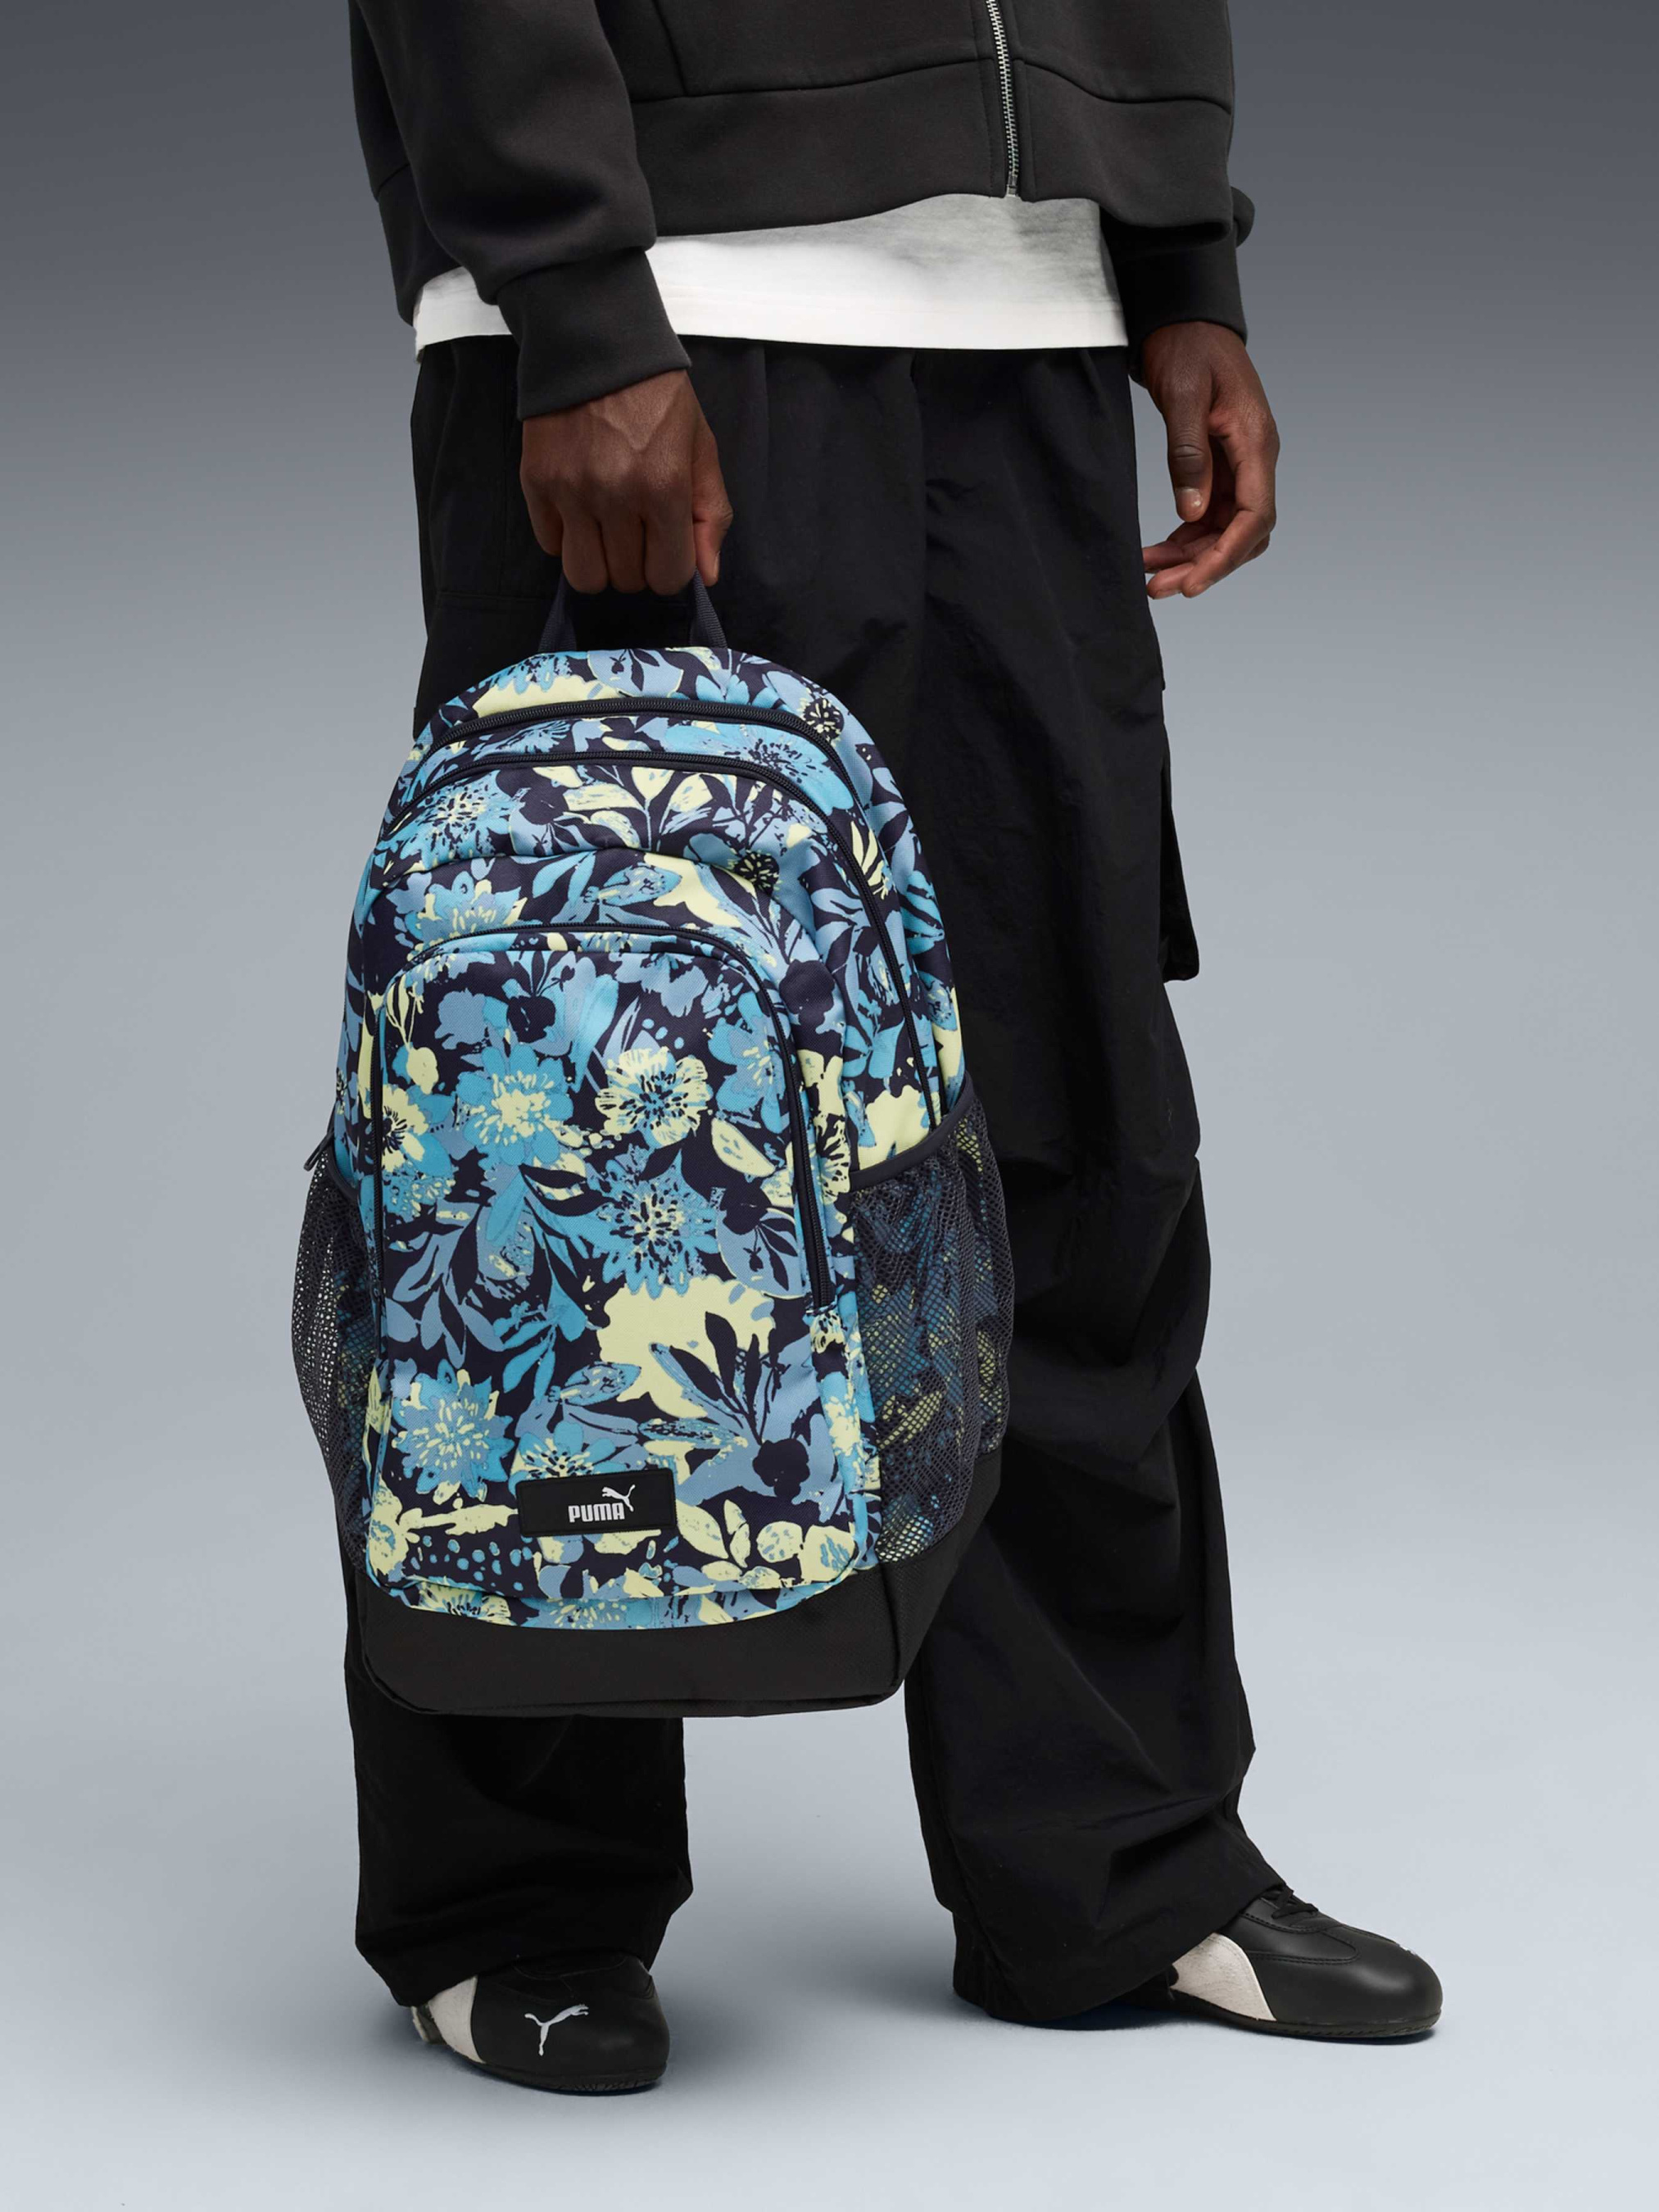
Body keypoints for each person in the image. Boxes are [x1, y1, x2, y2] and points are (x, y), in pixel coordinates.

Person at [342, 2, 1443, 2090]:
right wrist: (576, 302)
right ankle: (514, 1898)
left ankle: (1108, 1866)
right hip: (669, 306)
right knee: (573, 1134)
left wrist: (1172, 257)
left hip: (1025, 317)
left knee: (1061, 1120)